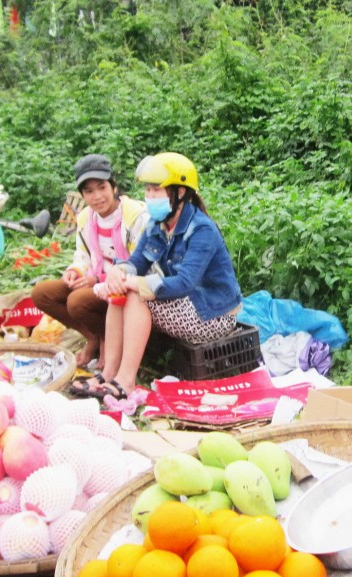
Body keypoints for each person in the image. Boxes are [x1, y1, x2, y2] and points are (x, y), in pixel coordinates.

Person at [80, 152, 243, 398]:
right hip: (183, 305)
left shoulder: (202, 230)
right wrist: (119, 271)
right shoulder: (158, 225)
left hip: (211, 315)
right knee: (120, 290)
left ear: (179, 193)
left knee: (136, 295)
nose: (149, 197)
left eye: (156, 190)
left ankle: (125, 381)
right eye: (147, 190)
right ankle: (109, 372)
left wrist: (134, 282)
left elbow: (183, 283)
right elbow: (138, 260)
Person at [32, 154, 148, 374]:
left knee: (76, 301)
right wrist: (76, 271)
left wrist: (98, 279)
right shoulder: (86, 217)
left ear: (113, 186)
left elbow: (139, 264)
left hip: (126, 284)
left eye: (102, 187)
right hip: (97, 280)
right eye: (89, 191)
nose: (97, 197)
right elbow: (83, 255)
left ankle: (107, 340)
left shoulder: (136, 216)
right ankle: (94, 337)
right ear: (82, 195)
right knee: (42, 293)